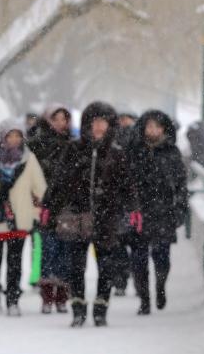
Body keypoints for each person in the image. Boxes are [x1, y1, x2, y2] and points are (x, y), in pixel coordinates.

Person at [48, 102, 138, 327]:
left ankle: (101, 309)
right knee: (76, 266)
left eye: (103, 122)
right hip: (78, 216)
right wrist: (50, 206)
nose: (98, 126)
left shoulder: (117, 154)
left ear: (110, 125)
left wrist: (134, 208)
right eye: (94, 121)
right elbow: (59, 181)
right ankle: (78, 308)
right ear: (87, 124)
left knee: (106, 267)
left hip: (107, 218)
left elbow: (127, 185)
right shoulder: (74, 149)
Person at [0, 118, 47, 316]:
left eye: (17, 135)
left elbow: (40, 189)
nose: (14, 140)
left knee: (15, 264)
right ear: (2, 137)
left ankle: (13, 299)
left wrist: (38, 214)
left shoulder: (28, 160)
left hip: (19, 220)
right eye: (9, 135)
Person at [128, 110, 189, 315]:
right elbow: (126, 182)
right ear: (144, 128)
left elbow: (181, 183)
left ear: (164, 129)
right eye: (149, 126)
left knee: (162, 256)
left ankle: (160, 286)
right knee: (138, 259)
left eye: (157, 126)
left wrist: (180, 208)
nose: (153, 130)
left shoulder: (172, 152)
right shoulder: (134, 151)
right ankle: (144, 298)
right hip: (139, 211)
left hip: (164, 212)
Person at [27, 104, 73, 314]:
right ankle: (46, 296)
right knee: (47, 250)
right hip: (44, 204)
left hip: (68, 205)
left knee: (66, 251)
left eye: (64, 119)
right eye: (57, 119)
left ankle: (63, 296)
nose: (61, 123)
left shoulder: (73, 144)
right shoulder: (37, 144)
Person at [111, 111, 138, 297]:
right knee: (125, 244)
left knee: (122, 244)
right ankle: (128, 279)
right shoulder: (136, 144)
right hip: (122, 201)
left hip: (128, 201)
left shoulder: (118, 143)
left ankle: (124, 279)